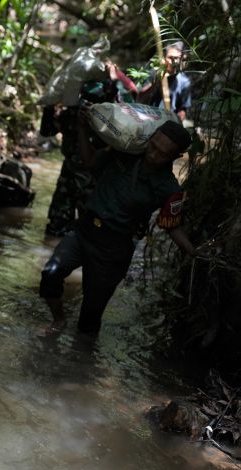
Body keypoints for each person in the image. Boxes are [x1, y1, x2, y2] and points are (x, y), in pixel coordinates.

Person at [39, 110, 196, 335]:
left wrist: (193, 251)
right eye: (153, 146)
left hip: (113, 250)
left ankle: (83, 362)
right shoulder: (124, 154)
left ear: (176, 156)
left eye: (162, 153)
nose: (153, 155)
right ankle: (59, 320)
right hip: (83, 232)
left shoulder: (169, 188)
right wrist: (82, 129)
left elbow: (171, 225)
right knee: (51, 274)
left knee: (89, 320)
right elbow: (90, 162)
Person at [41, 65, 136, 237]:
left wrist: (117, 81)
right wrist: (50, 106)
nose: (87, 104)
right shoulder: (70, 113)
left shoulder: (109, 118)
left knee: (90, 232)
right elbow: (47, 131)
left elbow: (131, 115)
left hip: (96, 177)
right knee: (57, 227)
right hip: (69, 175)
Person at [139, 41, 192, 121]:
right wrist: (155, 82)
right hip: (149, 117)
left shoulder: (184, 81)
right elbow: (139, 97)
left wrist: (177, 121)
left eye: (176, 58)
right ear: (164, 58)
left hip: (168, 121)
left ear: (181, 59)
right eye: (170, 58)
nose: (174, 62)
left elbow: (183, 109)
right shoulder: (154, 73)